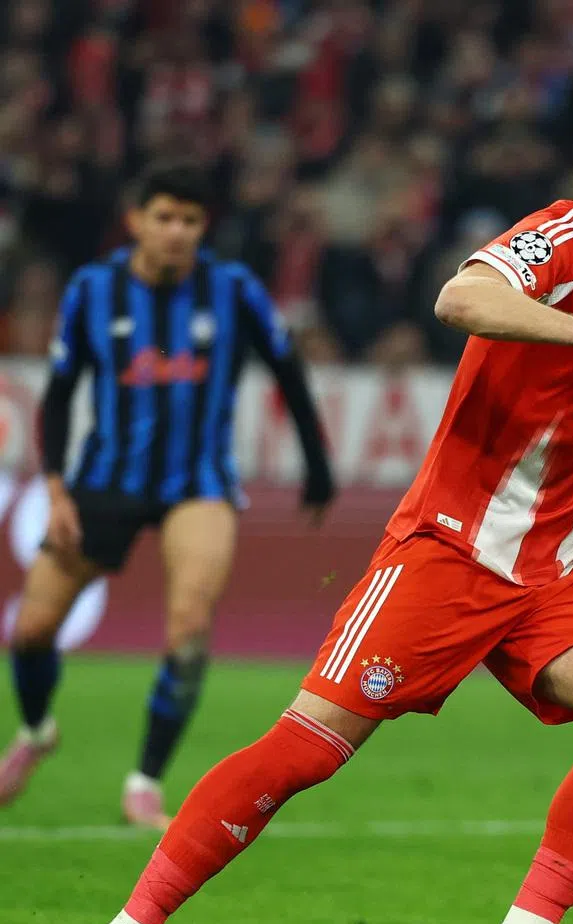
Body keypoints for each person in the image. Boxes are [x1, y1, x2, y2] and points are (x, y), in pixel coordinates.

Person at [70, 73, 573, 924]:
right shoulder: (564, 240)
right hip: (448, 553)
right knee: (302, 753)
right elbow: (460, 296)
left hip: (551, 572)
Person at [1, 162, 335, 828]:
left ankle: (145, 783)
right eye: (164, 218)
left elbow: (288, 371)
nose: (177, 231)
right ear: (136, 222)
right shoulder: (93, 290)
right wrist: (58, 489)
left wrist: (317, 468)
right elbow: (60, 395)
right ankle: (36, 731)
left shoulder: (232, 289)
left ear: (203, 227)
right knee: (31, 631)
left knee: (188, 631)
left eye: (190, 220)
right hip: (103, 481)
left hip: (199, 485)